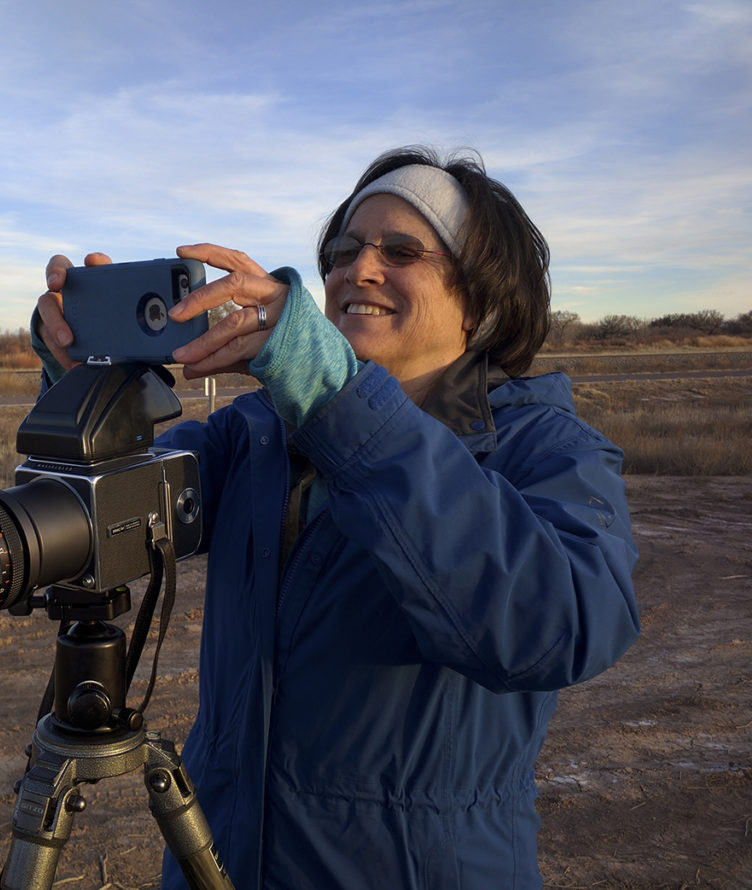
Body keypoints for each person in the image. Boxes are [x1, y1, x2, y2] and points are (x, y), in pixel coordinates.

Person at [31, 146, 640, 890]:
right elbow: (118, 516)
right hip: (217, 860)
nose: (360, 269)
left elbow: (556, 627)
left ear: (479, 300)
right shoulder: (256, 431)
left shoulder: (548, 450)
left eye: (402, 250)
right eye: (343, 250)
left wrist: (335, 401)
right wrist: (90, 390)